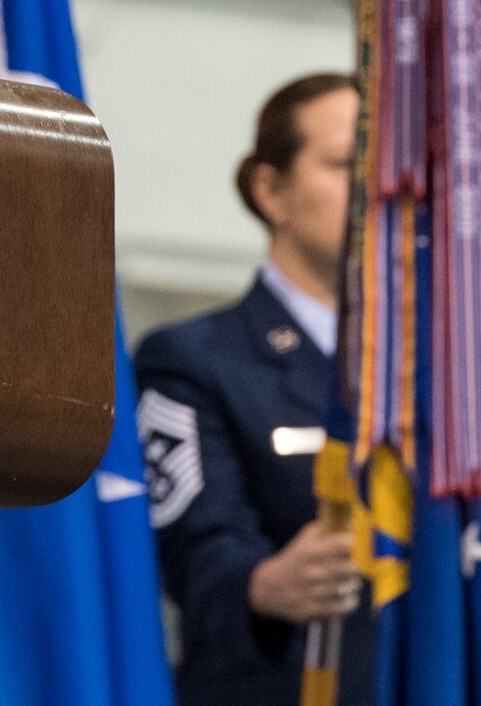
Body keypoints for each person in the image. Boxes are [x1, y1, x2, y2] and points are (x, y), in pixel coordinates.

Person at [133, 73, 373, 705]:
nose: (376, 191)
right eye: (348, 164)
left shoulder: (425, 376)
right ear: (271, 190)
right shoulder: (194, 360)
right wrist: (265, 584)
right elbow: (196, 555)